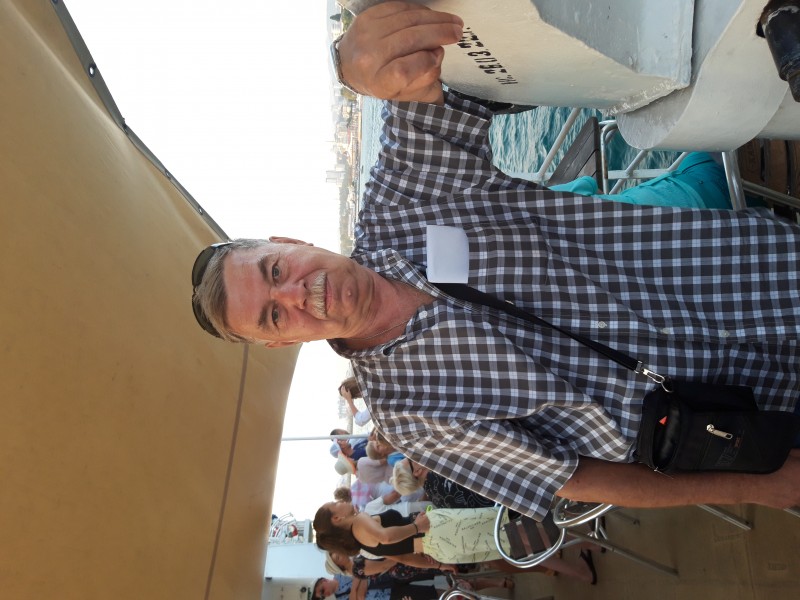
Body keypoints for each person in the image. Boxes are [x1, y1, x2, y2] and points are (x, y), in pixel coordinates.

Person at [191, 2, 800, 520]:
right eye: (274, 315)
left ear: (289, 241)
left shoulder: (403, 199)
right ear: (281, 341)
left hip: (753, 276)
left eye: (275, 271)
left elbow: (417, 78)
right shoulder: (407, 416)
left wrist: (352, 62)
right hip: (749, 412)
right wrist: (758, 487)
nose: (297, 294)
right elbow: (577, 477)